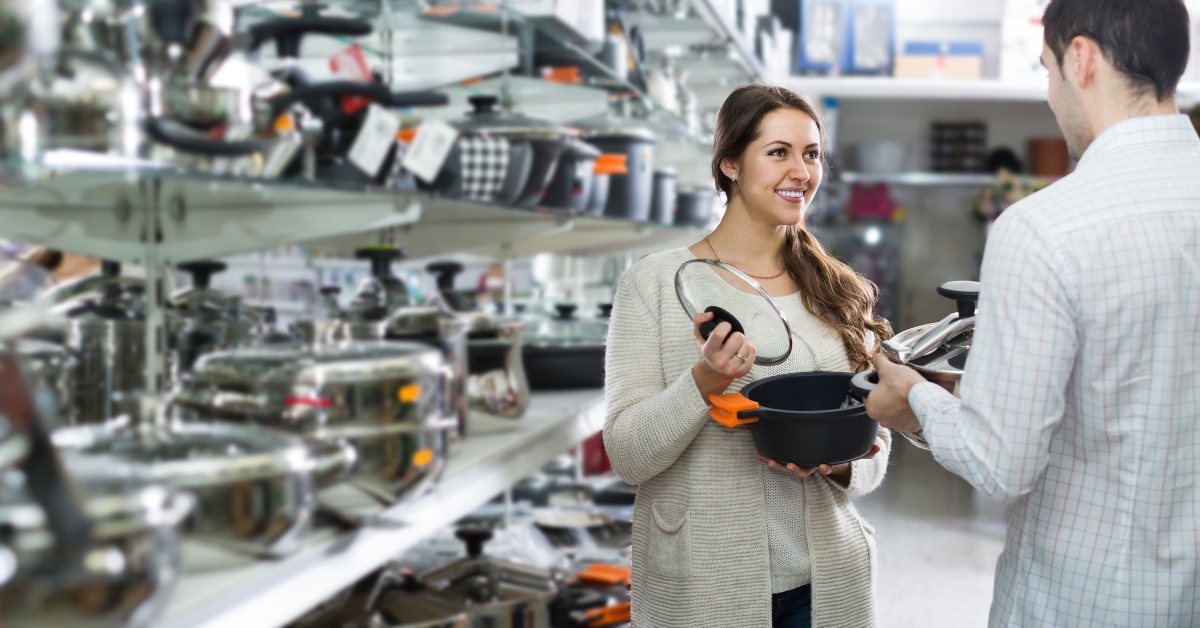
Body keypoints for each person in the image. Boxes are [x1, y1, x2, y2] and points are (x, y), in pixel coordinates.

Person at [863, 0, 1200, 625]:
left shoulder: (1045, 228)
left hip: (1087, 601)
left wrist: (916, 400)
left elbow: (1002, 462)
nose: (1049, 94)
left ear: (1081, 58)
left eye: (1045, 69)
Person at [603, 84, 892, 628]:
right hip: (704, 582)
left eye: (811, 154)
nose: (801, 171)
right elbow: (627, 455)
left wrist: (840, 464)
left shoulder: (838, 291)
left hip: (826, 580)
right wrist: (704, 382)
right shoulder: (655, 284)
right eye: (778, 152)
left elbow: (878, 440)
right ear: (731, 164)